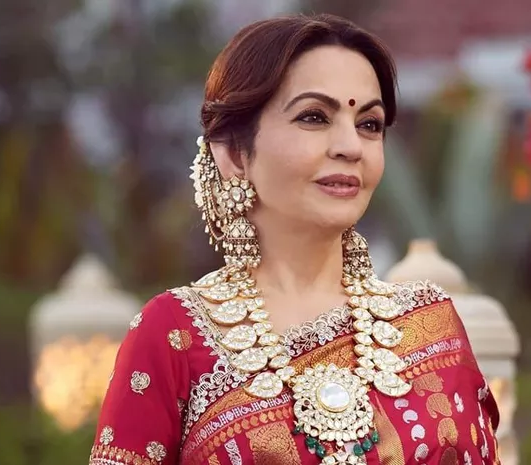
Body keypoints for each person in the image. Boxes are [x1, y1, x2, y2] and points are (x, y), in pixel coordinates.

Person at [88, 13, 501, 465]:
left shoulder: (429, 324)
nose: (350, 146)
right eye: (314, 117)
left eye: (369, 123)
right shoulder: (174, 335)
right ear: (233, 152)